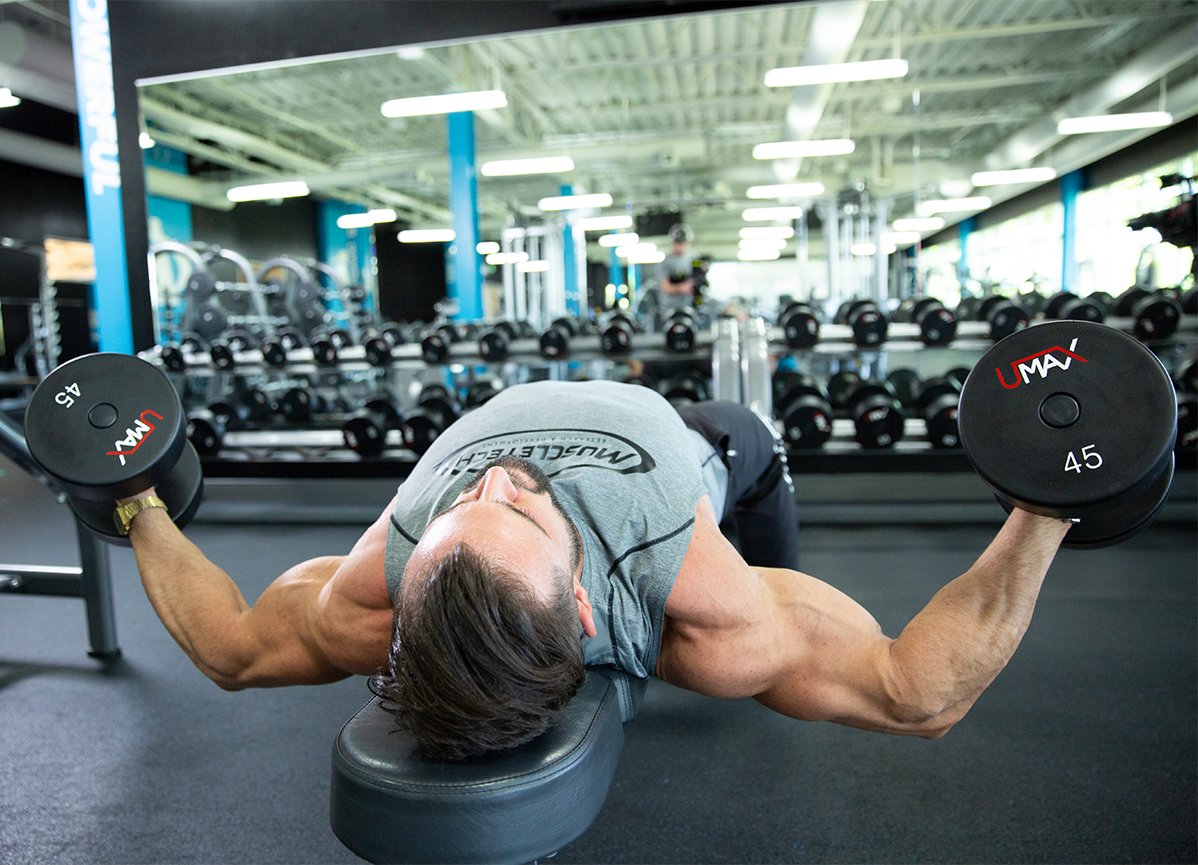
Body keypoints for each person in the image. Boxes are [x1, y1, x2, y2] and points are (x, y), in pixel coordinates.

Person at [117, 379, 1070, 763]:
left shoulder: (372, 583)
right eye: (512, 509)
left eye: (467, 508)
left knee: (764, 523)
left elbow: (230, 645)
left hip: (701, 421)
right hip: (711, 448)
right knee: (769, 565)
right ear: (582, 597)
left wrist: (134, 499)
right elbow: (918, 694)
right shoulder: (698, 599)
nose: (490, 481)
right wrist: (1052, 502)